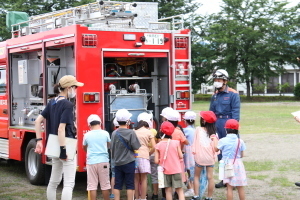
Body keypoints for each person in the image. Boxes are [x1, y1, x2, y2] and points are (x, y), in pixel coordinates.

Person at [34, 75, 84, 200]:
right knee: (68, 183)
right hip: (65, 144)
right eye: (75, 87)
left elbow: (37, 121)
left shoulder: (52, 102)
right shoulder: (67, 105)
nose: (76, 90)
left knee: (54, 181)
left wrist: (39, 141)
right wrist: (63, 150)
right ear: (68, 88)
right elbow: (61, 128)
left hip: (52, 143)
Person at [209, 69, 240, 188]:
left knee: (231, 153)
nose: (217, 82)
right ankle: (224, 180)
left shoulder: (233, 94)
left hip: (229, 124)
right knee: (220, 153)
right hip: (217, 124)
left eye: (219, 80)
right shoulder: (214, 95)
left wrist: (233, 129)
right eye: (215, 80)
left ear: (225, 81)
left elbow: (236, 112)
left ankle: (235, 180)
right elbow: (211, 112)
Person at [110, 109, 141, 200]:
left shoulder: (114, 133)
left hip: (118, 162)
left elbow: (112, 147)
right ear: (128, 121)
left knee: (117, 184)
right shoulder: (131, 132)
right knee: (130, 184)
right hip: (129, 162)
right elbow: (136, 147)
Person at [214, 119, 247, 200]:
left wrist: (214, 139)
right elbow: (242, 155)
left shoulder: (223, 140)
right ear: (237, 130)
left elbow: (216, 150)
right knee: (240, 187)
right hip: (238, 164)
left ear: (226, 129)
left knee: (229, 187)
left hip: (227, 165)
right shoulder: (240, 141)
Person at [83, 114, 111, 200]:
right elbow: (109, 145)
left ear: (89, 125)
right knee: (105, 185)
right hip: (103, 161)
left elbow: (84, 147)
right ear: (100, 123)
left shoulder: (87, 135)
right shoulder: (105, 133)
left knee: (92, 186)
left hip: (91, 162)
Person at [191, 111, 218, 200]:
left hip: (200, 158)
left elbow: (194, 143)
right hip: (210, 158)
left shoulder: (198, 129)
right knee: (210, 177)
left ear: (204, 121)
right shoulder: (214, 133)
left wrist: (194, 152)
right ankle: (209, 197)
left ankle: (196, 195)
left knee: (196, 176)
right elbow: (216, 147)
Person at [155, 121, 185, 200]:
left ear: (161, 131)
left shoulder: (158, 145)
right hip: (176, 170)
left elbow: (156, 161)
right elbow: (181, 156)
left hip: (165, 171)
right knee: (179, 190)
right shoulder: (176, 143)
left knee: (168, 190)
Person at [134, 112, 156, 200]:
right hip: (144, 157)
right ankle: (143, 198)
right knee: (144, 179)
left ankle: (136, 197)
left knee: (136, 179)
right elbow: (154, 146)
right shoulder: (149, 132)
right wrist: (149, 153)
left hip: (135, 157)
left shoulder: (134, 131)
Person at [182, 111, 196, 197]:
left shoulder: (185, 130)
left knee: (186, 170)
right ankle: (194, 188)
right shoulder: (196, 130)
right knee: (192, 170)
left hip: (187, 151)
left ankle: (190, 188)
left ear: (185, 121)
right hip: (194, 151)